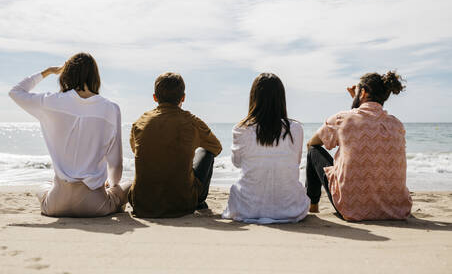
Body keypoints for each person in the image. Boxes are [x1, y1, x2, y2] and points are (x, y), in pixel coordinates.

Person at [9, 53, 130, 217]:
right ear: (95, 75)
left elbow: (16, 92)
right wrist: (112, 185)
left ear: (67, 74)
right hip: (95, 205)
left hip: (56, 204)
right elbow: (115, 163)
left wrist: (48, 72)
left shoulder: (52, 101)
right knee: (126, 184)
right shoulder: (111, 108)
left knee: (45, 185)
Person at [306, 71, 412, 221]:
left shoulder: (343, 118)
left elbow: (313, 142)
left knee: (313, 151)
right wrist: (357, 101)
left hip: (352, 207)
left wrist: (355, 103)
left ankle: (313, 206)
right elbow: (366, 121)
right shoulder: (396, 124)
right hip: (396, 209)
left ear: (363, 92)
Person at [128, 72, 222, 218]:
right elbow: (216, 147)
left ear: (155, 97)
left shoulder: (140, 122)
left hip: (141, 203)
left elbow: (136, 149)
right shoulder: (192, 121)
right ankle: (199, 200)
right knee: (206, 152)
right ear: (183, 97)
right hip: (182, 204)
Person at [222, 73, 309, 224]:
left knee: (237, 190)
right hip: (290, 208)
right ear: (281, 98)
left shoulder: (241, 128)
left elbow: (236, 163)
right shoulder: (295, 128)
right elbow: (295, 162)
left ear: (254, 98)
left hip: (247, 208)